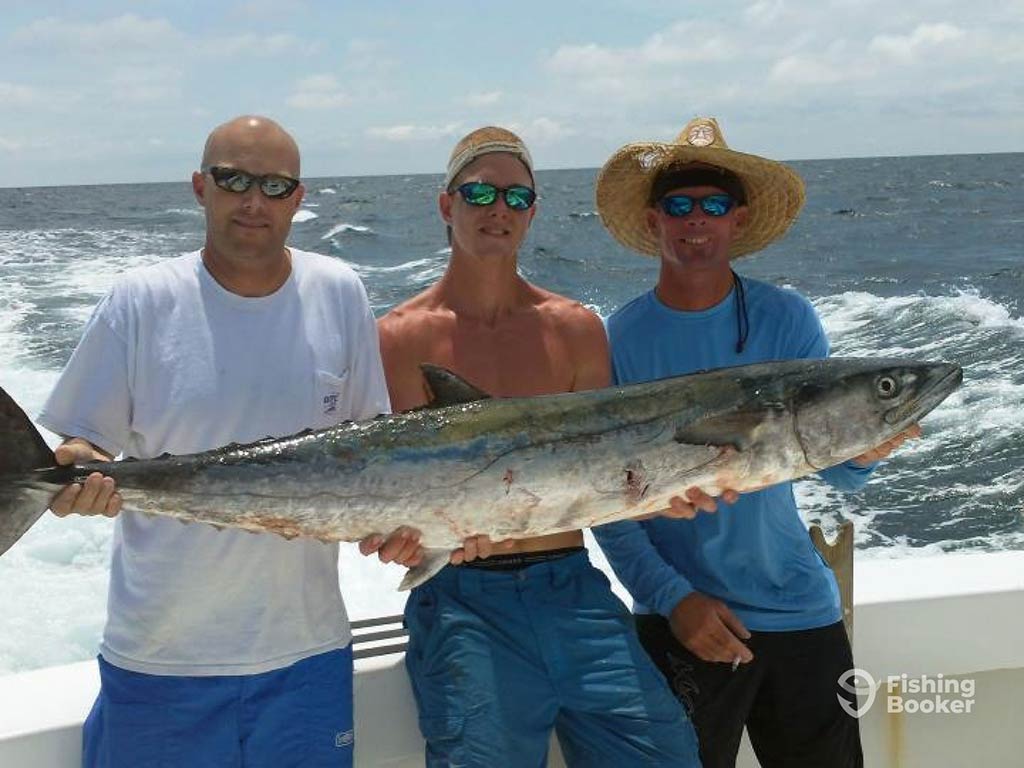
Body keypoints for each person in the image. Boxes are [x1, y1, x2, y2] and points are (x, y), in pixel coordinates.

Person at [40, 115, 415, 768]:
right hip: (161, 662)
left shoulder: (341, 294)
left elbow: (366, 469)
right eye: (233, 179)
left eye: (274, 185)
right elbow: (86, 445)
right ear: (199, 187)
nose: (253, 201)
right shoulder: (140, 300)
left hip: (307, 657)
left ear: (298, 198)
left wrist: (399, 529)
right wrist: (76, 472)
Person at [592, 116, 919, 768]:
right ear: (655, 220)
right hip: (681, 618)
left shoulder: (787, 318)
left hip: (799, 609)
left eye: (713, 205)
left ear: (737, 220)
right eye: (678, 205)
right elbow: (606, 499)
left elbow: (840, 473)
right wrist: (673, 599)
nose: (696, 221)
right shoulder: (615, 339)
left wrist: (866, 450)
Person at [377, 126, 702, 767]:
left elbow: (607, 475)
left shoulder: (575, 329)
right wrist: (405, 538)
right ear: (447, 205)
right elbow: (396, 492)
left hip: (573, 588)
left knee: (667, 754)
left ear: (532, 213)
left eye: (516, 197)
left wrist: (662, 495)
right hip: (461, 600)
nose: (498, 208)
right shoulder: (397, 337)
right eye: (479, 192)